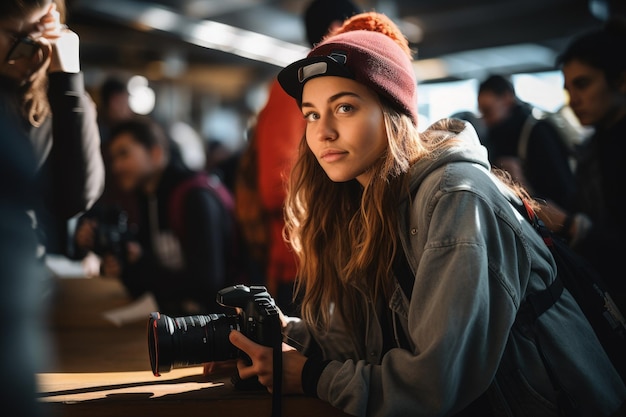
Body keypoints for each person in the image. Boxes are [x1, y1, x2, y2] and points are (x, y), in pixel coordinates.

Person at [222, 30, 626, 416]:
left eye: (345, 107)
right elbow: (367, 344)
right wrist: (282, 335)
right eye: (311, 114)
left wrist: (311, 376)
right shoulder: (363, 202)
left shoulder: (456, 196)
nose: (323, 132)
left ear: (394, 112)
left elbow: (434, 382)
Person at [241, 0, 361, 315]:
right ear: (337, 29)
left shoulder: (337, 89)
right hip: (301, 265)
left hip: (328, 259)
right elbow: (274, 188)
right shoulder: (295, 92)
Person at [74, 116, 240, 315]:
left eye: (124, 154)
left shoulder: (195, 197)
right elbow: (150, 280)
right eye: (114, 158)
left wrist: (141, 265)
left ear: (155, 154)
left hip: (222, 330)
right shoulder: (147, 197)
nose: (116, 167)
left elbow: (207, 283)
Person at [0, 0, 105, 257]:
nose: (35, 54)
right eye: (18, 37)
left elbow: (73, 199)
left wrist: (68, 81)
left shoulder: (61, 99)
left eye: (42, 37)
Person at [539, 17, 626, 310]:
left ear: (621, 80)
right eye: (568, 88)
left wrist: (570, 225)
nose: (573, 99)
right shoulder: (593, 147)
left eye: (583, 84)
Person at [477, 74, 577, 210]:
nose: (485, 120)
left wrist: (522, 185)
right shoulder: (496, 140)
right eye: (482, 113)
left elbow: (564, 193)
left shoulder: (538, 132)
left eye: (488, 111)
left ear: (507, 98)